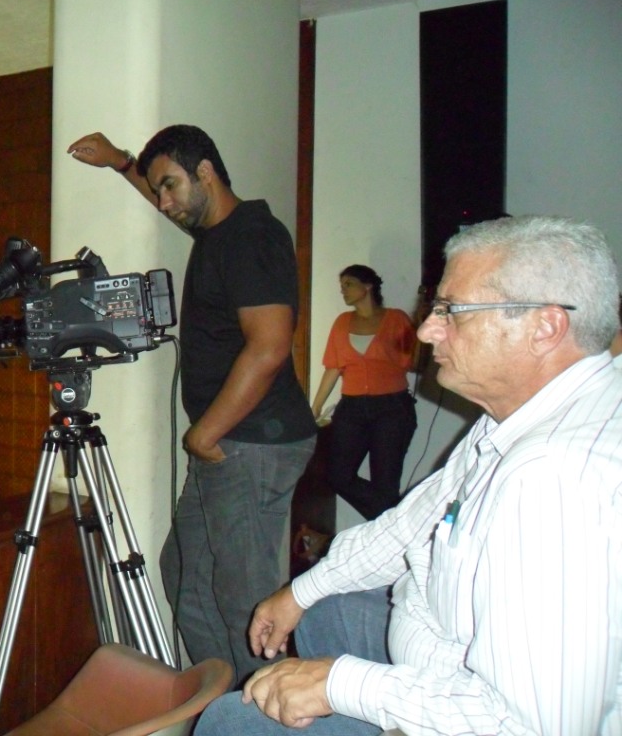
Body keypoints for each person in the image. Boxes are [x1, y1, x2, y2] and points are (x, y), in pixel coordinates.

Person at [194, 216, 622, 735]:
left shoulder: (558, 479)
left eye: (451, 311)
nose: (425, 330)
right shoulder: (514, 417)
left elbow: (533, 726)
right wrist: (299, 592)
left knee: (231, 721)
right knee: (326, 609)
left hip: (474, 707)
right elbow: (412, 525)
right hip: (440, 650)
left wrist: (339, 684)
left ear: (545, 327)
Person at [68, 126, 317, 685]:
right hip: (231, 442)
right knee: (183, 573)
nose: (164, 203)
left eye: (170, 186)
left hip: (250, 443)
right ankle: (229, 699)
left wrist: (203, 435)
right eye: (159, 189)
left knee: (245, 601)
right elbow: (167, 196)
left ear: (206, 172)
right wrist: (119, 162)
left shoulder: (251, 237)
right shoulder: (217, 232)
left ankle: (272, 711)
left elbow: (270, 346)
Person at [310, 265, 417, 520]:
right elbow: (333, 367)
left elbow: (413, 361)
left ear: (367, 286)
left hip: (392, 408)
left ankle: (390, 523)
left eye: (348, 284)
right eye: (341, 286)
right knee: (338, 476)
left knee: (386, 483)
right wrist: (315, 407)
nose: (343, 290)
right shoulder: (342, 322)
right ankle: (399, 518)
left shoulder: (396, 319)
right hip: (352, 409)